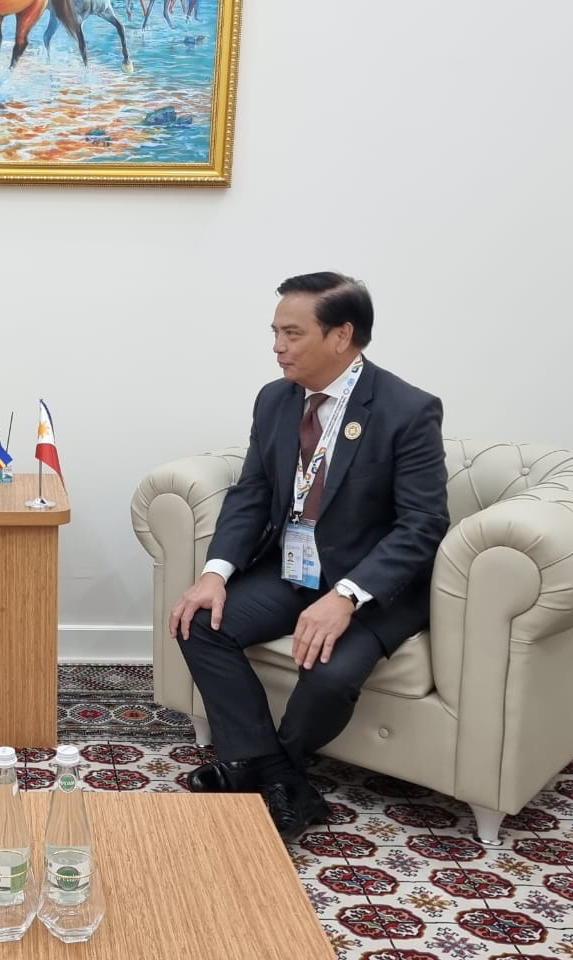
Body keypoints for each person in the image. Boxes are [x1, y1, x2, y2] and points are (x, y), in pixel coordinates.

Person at [168, 271, 448, 840]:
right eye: (275, 332)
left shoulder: (407, 409)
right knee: (198, 621)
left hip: (369, 588)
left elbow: (423, 524)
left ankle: (262, 768)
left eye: (292, 333)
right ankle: (274, 775)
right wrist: (215, 573)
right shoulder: (275, 399)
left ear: (341, 335)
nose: (277, 346)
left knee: (327, 675)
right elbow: (251, 492)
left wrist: (346, 596)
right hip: (294, 570)